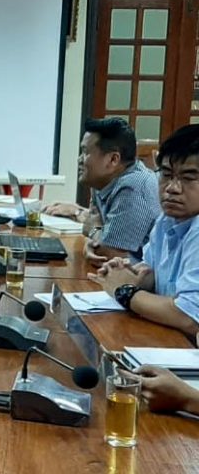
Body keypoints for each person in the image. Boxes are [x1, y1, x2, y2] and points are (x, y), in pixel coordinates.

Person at [89, 124, 199, 337]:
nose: (172, 188)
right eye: (166, 174)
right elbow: (155, 275)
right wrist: (130, 273)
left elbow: (189, 317)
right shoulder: (167, 220)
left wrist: (125, 291)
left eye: (189, 177)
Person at [45, 117, 159, 266]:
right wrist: (92, 235)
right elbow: (97, 239)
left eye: (85, 152)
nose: (80, 159)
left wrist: (92, 230)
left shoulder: (133, 186)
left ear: (113, 159)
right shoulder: (102, 181)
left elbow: (108, 253)